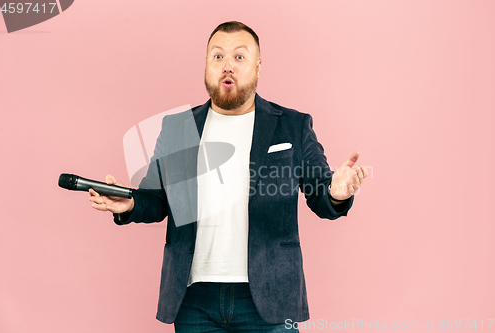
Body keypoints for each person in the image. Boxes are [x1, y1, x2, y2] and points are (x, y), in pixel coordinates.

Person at [89, 21, 368, 332]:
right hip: (193, 299)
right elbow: (156, 200)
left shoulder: (292, 125)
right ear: (206, 65)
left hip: (269, 295)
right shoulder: (178, 128)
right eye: (217, 56)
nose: (227, 66)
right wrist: (128, 204)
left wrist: (336, 193)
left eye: (239, 57)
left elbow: (320, 194)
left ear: (258, 66)